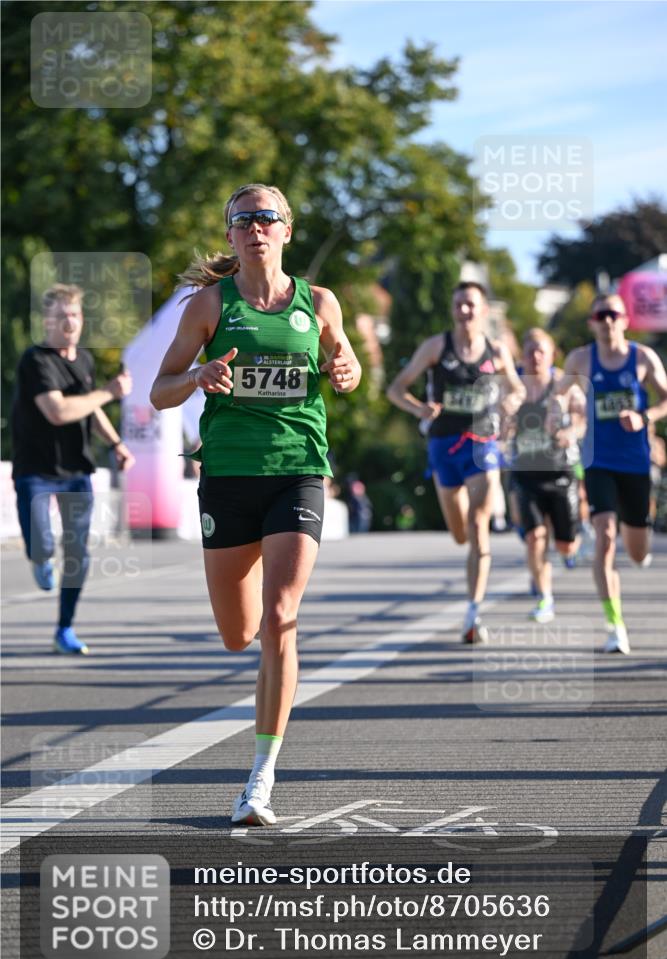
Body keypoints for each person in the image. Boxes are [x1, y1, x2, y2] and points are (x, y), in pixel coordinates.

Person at [150, 183, 361, 826]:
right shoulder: (209, 306)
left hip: (297, 469)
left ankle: (260, 779)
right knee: (238, 633)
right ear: (231, 235)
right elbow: (160, 392)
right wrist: (197, 378)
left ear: (286, 230)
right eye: (242, 221)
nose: (255, 228)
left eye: (266, 218)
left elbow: (341, 358)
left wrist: (347, 366)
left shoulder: (319, 303)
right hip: (228, 478)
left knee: (279, 615)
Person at [387, 281, 524, 643]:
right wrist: (420, 408)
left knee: (479, 525)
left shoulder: (496, 350)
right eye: (459, 304)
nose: (465, 311)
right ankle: (471, 595)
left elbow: (517, 388)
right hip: (443, 446)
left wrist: (510, 403)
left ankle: (473, 614)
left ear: (484, 311)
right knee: (460, 533)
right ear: (453, 310)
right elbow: (396, 389)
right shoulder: (436, 347)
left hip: (482, 445)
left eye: (471, 305)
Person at [11, 283, 134, 654]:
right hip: (35, 470)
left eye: (76, 315)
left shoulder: (84, 360)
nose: (70, 323)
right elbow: (59, 411)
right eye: (62, 316)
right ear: (47, 321)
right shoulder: (37, 360)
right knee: (42, 544)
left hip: (77, 472)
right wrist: (111, 392)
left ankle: (64, 629)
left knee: (78, 555)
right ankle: (39, 558)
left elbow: (89, 407)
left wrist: (115, 443)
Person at [558, 293, 667, 653]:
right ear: (592, 321)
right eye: (600, 314)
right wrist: (557, 414)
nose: (606, 320)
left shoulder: (642, 358)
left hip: (635, 462)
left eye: (613, 314)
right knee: (604, 538)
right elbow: (559, 395)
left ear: (624, 319)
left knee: (636, 552)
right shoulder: (580, 358)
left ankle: (640, 538)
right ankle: (615, 625)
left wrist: (645, 416)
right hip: (598, 461)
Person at [507, 329, 586, 623]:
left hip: (560, 471)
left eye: (541, 351)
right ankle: (545, 598)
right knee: (535, 537)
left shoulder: (564, 383)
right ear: (523, 356)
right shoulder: (514, 385)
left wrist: (571, 431)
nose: (535, 356)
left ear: (552, 355)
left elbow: (582, 418)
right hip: (525, 472)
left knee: (565, 544)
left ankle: (568, 548)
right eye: (529, 351)